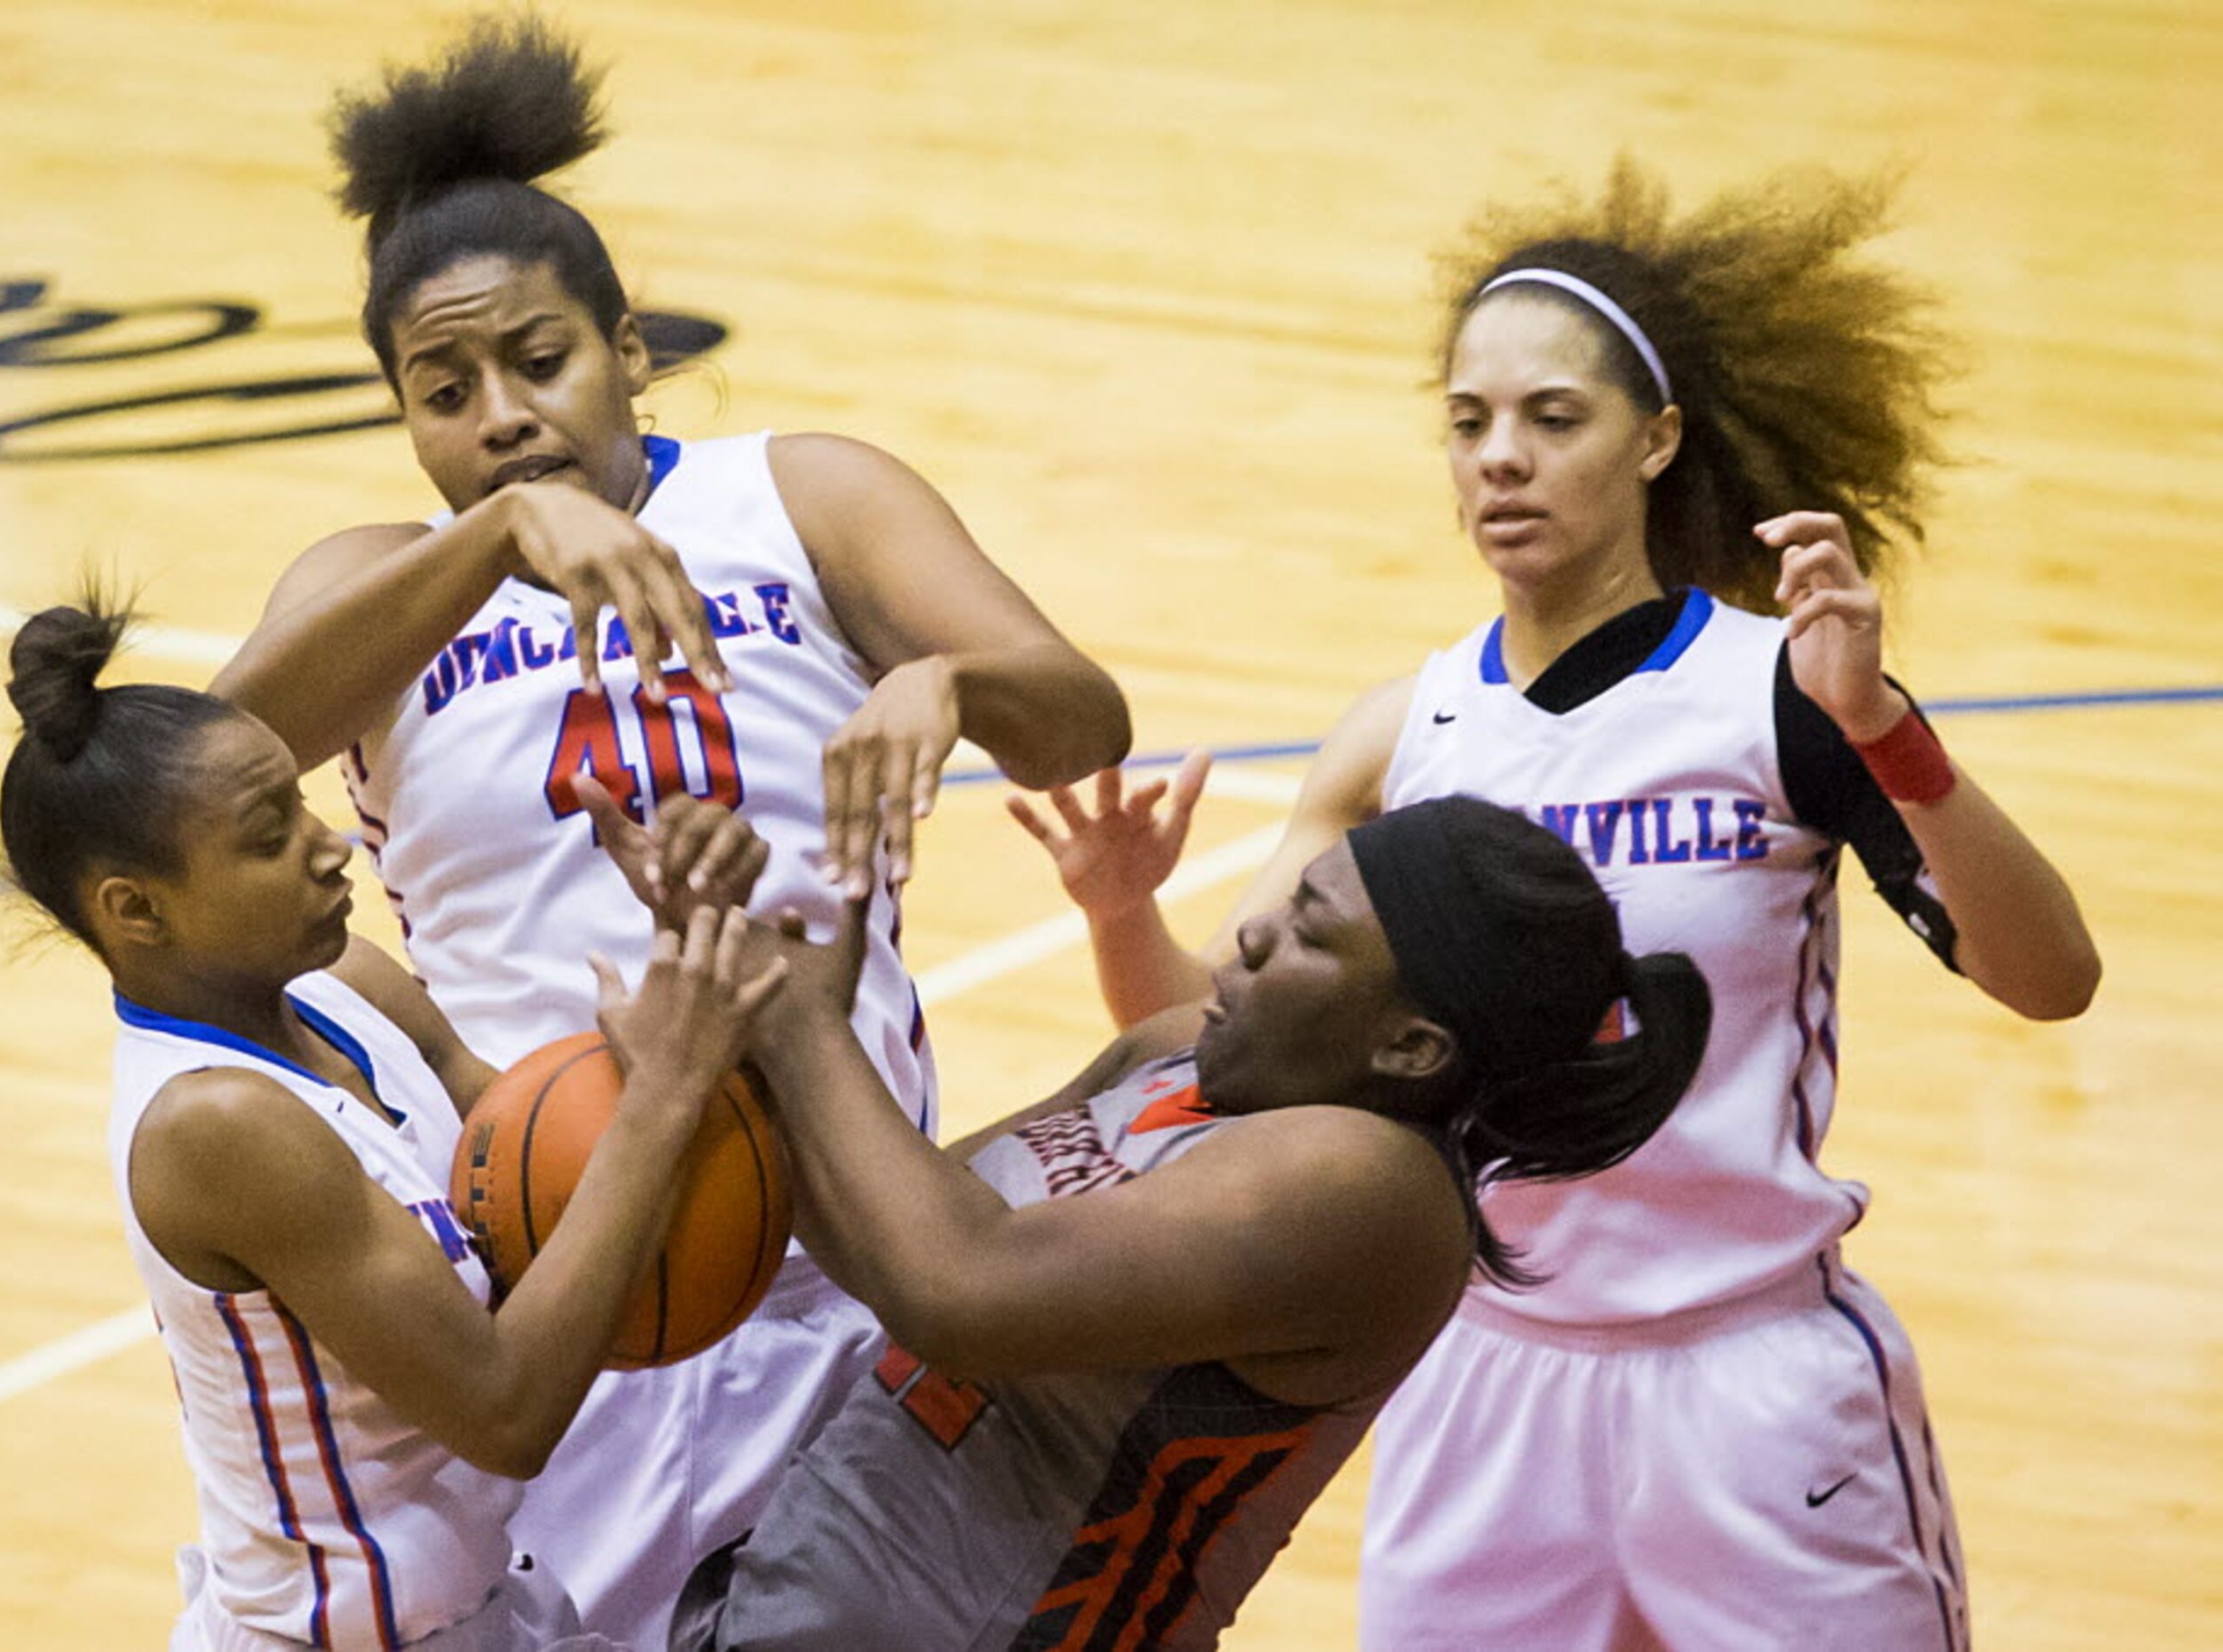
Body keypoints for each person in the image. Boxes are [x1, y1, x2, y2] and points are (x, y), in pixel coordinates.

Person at [1011, 160, 2101, 1649]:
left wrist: (1885, 731)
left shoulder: (1773, 695)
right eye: (1468, 423)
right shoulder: (1404, 734)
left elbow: (2053, 977)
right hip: (1480, 1373)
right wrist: (1120, 910)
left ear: (1656, 440)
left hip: (1756, 1380)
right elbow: (1224, 1044)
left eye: (1550, 417)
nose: (1498, 459)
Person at [207, 16, 1130, 1642]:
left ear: (631, 349)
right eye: (446, 391)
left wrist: (953, 685)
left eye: (540, 361)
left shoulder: (804, 493)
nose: (501, 414)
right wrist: (492, 538)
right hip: (557, 1273)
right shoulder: (376, 584)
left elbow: (1081, 714)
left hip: (849, 1249)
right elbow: (213, 767)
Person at [553, 780, 1709, 1652]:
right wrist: (714, 986)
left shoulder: (1375, 1191)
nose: (1252, 932)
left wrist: (794, 1015)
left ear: (1408, 1046)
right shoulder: (1174, 1055)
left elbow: (958, 1287)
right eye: (1292, 899)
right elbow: (892, 1228)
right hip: (797, 1589)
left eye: (1313, 933)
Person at [0, 598, 789, 1649]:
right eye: (270, 836)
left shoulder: (343, 986)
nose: (330, 850)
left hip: (480, 1608)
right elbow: (507, 1410)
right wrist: (659, 1105)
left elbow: (550, 1174)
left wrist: (690, 939)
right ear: (136, 912)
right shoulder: (216, 1125)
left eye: (307, 805)